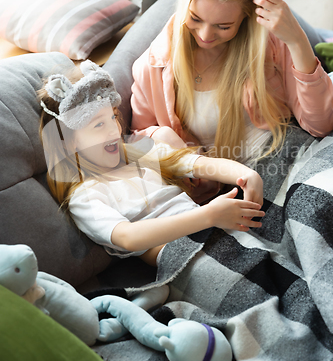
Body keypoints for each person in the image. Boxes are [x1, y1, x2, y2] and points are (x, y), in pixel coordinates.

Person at [38, 61, 264, 267]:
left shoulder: (142, 155)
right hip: (186, 259)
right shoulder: (85, 196)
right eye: (98, 125)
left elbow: (198, 164)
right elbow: (128, 237)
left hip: (217, 231)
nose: (114, 130)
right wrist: (209, 215)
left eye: (114, 117)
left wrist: (246, 174)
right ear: (68, 143)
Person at [130, 0, 333, 169]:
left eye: (223, 26)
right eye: (195, 18)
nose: (205, 35)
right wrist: (168, 140)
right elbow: (137, 139)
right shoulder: (153, 66)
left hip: (285, 159)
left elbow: (320, 125)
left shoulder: (271, 44)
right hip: (222, 185)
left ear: (246, 15)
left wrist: (298, 41)